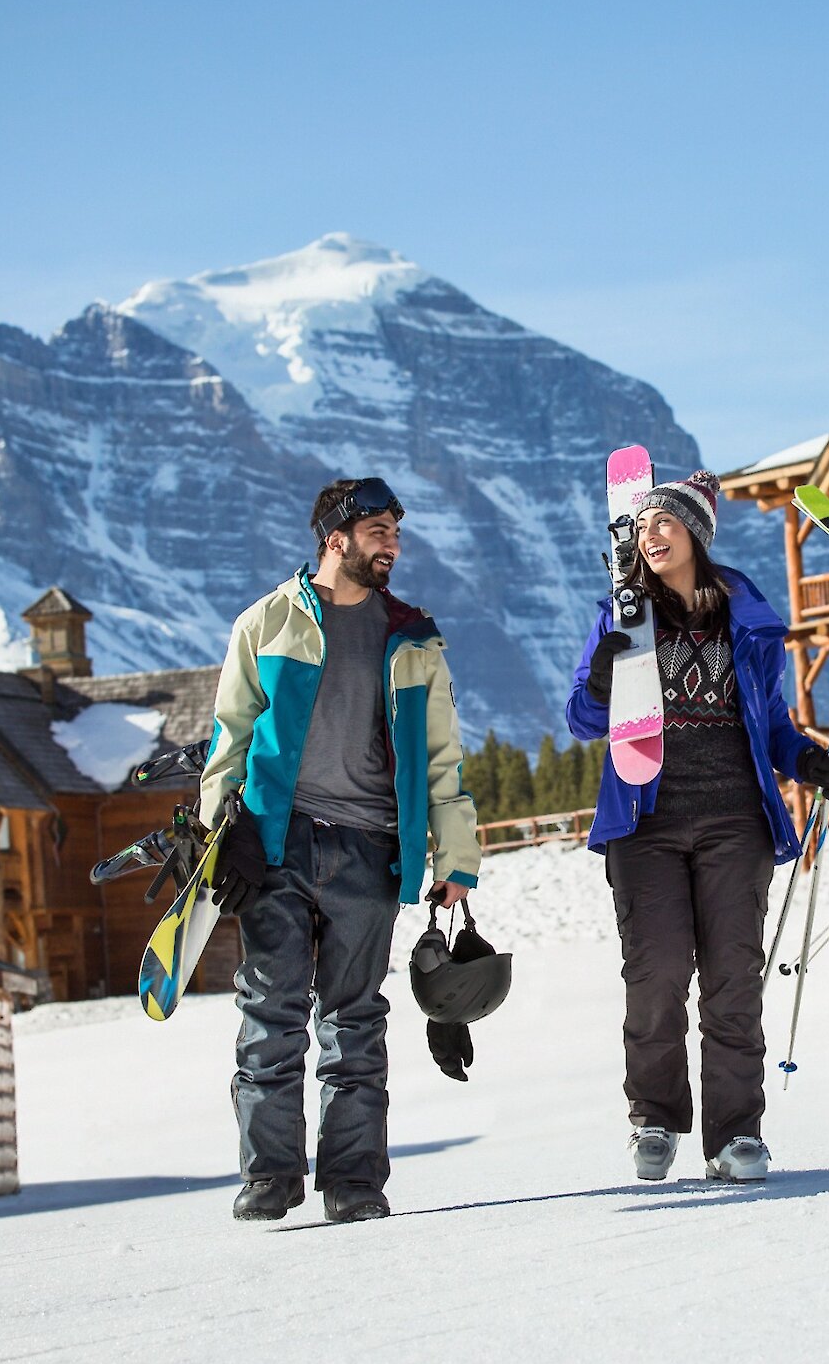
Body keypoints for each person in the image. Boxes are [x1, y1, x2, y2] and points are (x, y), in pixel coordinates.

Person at [199, 477, 481, 1223]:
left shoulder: (414, 634)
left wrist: (454, 859)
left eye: (396, 531)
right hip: (276, 844)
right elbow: (228, 742)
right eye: (379, 530)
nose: (392, 543)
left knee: (355, 1019)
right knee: (271, 1013)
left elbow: (443, 756)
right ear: (335, 537)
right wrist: (215, 839)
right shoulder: (268, 622)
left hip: (371, 847)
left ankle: (355, 1182)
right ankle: (269, 1177)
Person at [567, 470, 829, 1183]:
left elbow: (773, 723)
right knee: (656, 976)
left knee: (732, 980)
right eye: (644, 525)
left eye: (666, 523)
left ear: (696, 534)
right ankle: (654, 1119)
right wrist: (603, 671)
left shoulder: (745, 620)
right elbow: (581, 717)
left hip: (734, 820)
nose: (651, 534)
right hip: (644, 820)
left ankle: (736, 1134)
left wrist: (807, 760)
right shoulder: (623, 614)